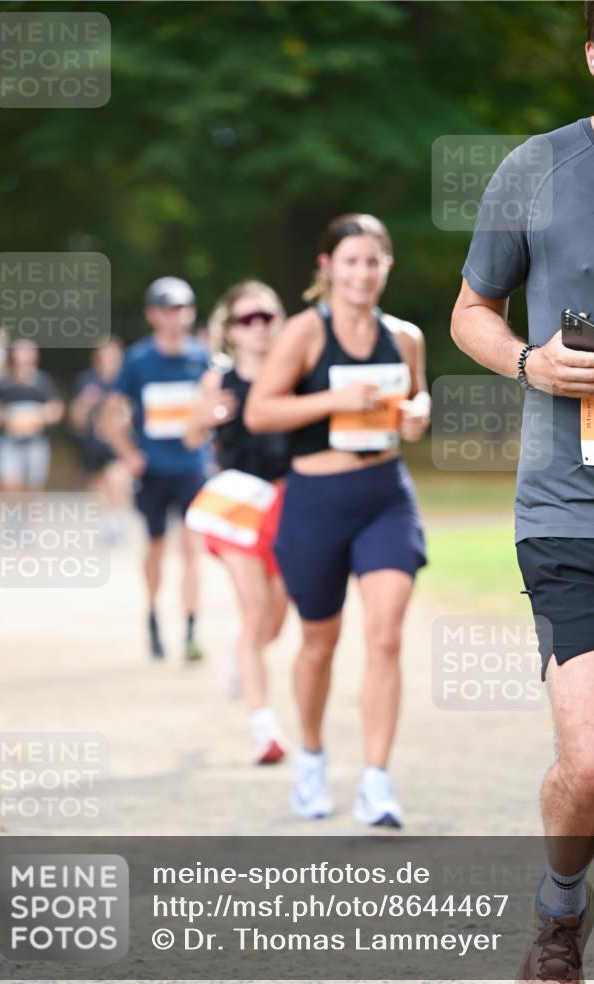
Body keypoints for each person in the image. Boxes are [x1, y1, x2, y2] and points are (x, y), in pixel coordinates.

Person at [451, 3, 594, 984]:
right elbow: (471, 308)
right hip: (575, 509)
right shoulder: (537, 167)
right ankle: (560, 909)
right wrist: (526, 360)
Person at [245, 214, 430, 826]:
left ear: (386, 267)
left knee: (385, 634)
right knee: (319, 644)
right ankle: (313, 759)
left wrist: (418, 414)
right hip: (316, 501)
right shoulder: (303, 334)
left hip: (384, 494)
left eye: (372, 261)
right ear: (327, 268)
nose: (361, 272)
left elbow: (417, 396)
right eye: (349, 261)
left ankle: (377, 780)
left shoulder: (404, 336)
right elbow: (259, 413)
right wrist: (332, 401)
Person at [184, 281, 290, 764]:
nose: (259, 326)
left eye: (266, 316)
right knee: (253, 613)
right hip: (236, 503)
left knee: (273, 623)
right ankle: (264, 728)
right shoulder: (218, 379)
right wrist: (204, 418)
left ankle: (238, 647)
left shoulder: (295, 372)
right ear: (230, 330)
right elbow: (190, 437)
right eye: (248, 319)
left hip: (288, 502)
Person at [102, 277, 209, 663]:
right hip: (153, 471)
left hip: (193, 468)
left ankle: (192, 631)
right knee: (157, 549)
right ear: (152, 315)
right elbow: (110, 414)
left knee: (193, 549)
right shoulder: (139, 360)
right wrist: (128, 453)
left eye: (182, 308)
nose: (176, 317)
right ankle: (152, 618)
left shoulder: (203, 358)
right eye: (168, 309)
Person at [69, 339, 129, 543]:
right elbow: (75, 421)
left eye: (113, 356)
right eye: (105, 356)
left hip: (120, 443)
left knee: (117, 479)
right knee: (99, 485)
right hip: (93, 445)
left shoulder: (127, 381)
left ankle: (118, 520)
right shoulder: (86, 382)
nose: (109, 361)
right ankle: (107, 523)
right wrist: (84, 404)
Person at [0, 338, 63, 492]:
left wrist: (36, 417)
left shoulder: (44, 383)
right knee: (10, 486)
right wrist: (7, 419)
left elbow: (56, 410)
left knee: (32, 491)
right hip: (8, 443)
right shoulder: (2, 383)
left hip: (35, 444)